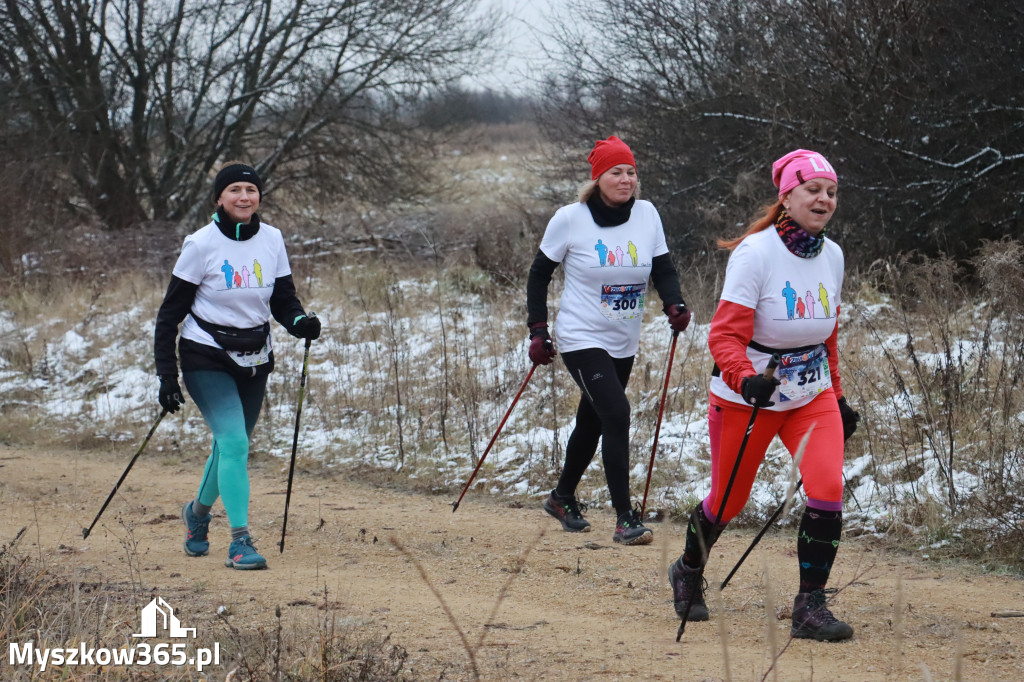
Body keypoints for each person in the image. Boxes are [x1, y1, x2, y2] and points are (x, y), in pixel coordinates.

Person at [667, 149, 860, 641]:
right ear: (787, 195)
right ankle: (689, 569)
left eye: (831, 192)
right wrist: (743, 377)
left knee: (827, 490)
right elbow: (723, 335)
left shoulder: (832, 255)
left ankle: (809, 607)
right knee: (728, 502)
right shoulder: (755, 253)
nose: (823, 199)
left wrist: (836, 396)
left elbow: (827, 337)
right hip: (747, 397)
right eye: (813, 189)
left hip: (810, 395)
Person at [153, 162, 321, 570]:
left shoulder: (273, 238)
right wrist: (166, 375)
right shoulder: (201, 244)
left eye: (250, 189)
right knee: (234, 444)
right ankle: (240, 542)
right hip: (204, 355)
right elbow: (169, 314)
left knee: (229, 447)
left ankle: (196, 514)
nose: (244, 197)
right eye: (234, 190)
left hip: (254, 356)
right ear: (219, 198)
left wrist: (299, 322)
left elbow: (282, 298)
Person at [527, 136, 692, 545]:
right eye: (616, 172)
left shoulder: (648, 215)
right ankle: (625, 518)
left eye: (631, 172)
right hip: (581, 335)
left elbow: (664, 269)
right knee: (616, 413)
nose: (625, 179)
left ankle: (562, 497)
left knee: (593, 418)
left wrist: (675, 303)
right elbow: (539, 275)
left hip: (624, 337)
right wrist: (538, 330)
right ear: (597, 178)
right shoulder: (570, 218)